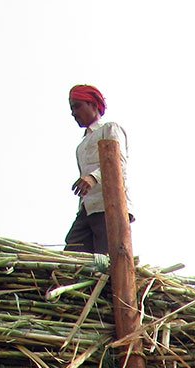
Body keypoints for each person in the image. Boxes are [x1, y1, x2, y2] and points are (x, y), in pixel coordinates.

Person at [65, 84, 129, 255]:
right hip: (88, 208)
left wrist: (93, 178)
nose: (73, 113)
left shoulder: (109, 129)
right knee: (73, 252)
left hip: (109, 205)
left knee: (109, 257)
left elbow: (119, 163)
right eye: (71, 108)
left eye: (77, 106)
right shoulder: (81, 146)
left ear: (93, 105)